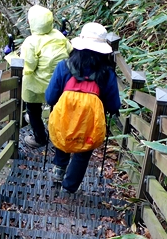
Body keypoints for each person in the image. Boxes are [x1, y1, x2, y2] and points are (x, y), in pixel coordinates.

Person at [45, 22, 121, 194]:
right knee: (84, 149)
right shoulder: (106, 73)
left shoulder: (64, 66)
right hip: (89, 123)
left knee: (63, 131)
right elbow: (114, 105)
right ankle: (69, 187)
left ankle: (59, 168)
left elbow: (50, 98)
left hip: (65, 117)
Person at [18, 6, 71, 149]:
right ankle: (57, 136)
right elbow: (70, 52)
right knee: (56, 109)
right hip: (58, 83)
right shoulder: (59, 36)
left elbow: (28, 67)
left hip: (35, 85)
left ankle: (40, 138)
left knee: (33, 111)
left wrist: (10, 57)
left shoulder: (30, 42)